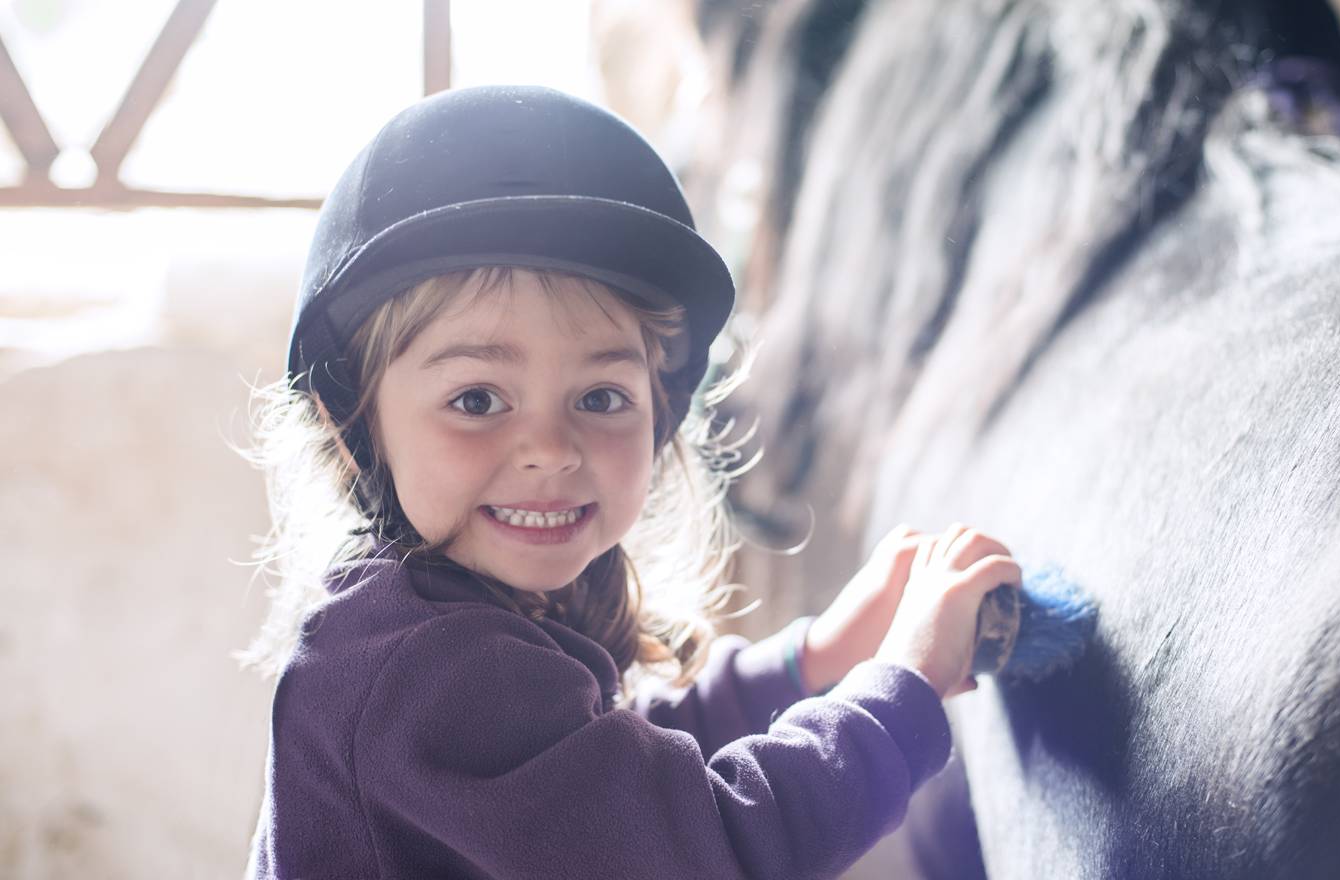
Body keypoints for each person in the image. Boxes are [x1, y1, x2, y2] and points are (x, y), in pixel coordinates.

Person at [243, 85, 1019, 880]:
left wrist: (809, 660)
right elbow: (705, 848)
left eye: (601, 398)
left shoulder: (444, 625)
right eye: (476, 400)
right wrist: (907, 681)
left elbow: (614, 779)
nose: (550, 447)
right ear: (355, 428)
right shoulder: (426, 667)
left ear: (658, 414)